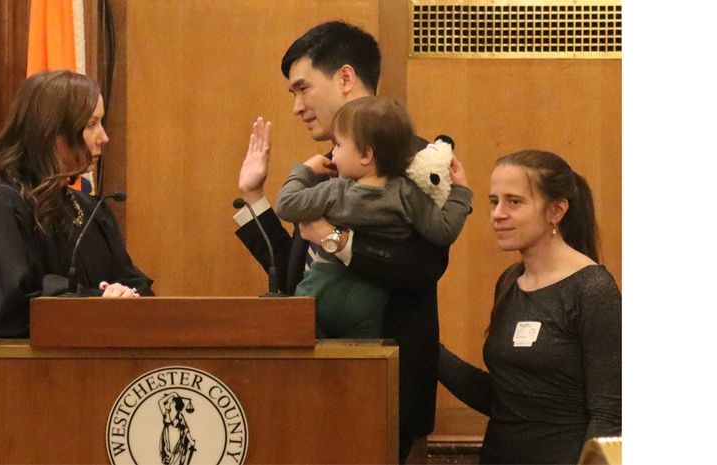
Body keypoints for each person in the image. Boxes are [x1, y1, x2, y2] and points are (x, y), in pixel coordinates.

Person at [233, 21, 448, 462]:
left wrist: (336, 240)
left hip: (385, 387)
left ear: (346, 78)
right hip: (314, 380)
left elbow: (421, 269)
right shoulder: (328, 165)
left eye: (302, 89)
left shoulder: (417, 160)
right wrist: (255, 195)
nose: (296, 106)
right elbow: (295, 275)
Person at [438, 150, 621, 464]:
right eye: (494, 201)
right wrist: (427, 349)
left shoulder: (593, 289)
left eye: (514, 202)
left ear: (556, 210)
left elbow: (609, 415)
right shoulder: (510, 281)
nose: (497, 213)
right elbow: (506, 399)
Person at [273, 96, 472, 339]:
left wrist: (303, 171)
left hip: (321, 290)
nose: (333, 153)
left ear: (366, 154)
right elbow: (444, 230)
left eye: (338, 145)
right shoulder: (408, 195)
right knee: (367, 364)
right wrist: (460, 193)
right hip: (370, 302)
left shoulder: (337, 191)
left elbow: (286, 205)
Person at [0, 70, 152, 338]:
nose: (104, 137)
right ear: (50, 131)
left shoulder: (91, 208)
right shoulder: (3, 204)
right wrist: (98, 302)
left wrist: (127, 296)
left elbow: (136, 283)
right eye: (91, 124)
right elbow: (15, 308)